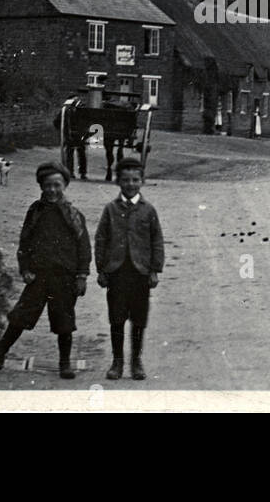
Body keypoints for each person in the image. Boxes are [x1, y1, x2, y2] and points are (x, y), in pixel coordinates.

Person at [0, 162, 92, 376]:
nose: (52, 190)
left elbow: (84, 248)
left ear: (64, 185)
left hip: (64, 278)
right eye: (47, 185)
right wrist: (25, 268)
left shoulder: (74, 215)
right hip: (38, 277)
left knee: (64, 321)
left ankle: (64, 364)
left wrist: (81, 276)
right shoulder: (35, 211)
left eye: (57, 185)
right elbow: (25, 242)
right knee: (20, 316)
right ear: (41, 186)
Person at [95, 156, 164, 380]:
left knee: (139, 318)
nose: (131, 184)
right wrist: (101, 269)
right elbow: (101, 239)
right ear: (118, 182)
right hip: (117, 272)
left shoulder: (148, 210)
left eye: (135, 180)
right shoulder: (110, 209)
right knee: (116, 317)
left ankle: (136, 360)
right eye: (125, 180)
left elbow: (156, 240)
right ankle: (117, 361)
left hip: (140, 272)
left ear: (142, 181)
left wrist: (154, 270)